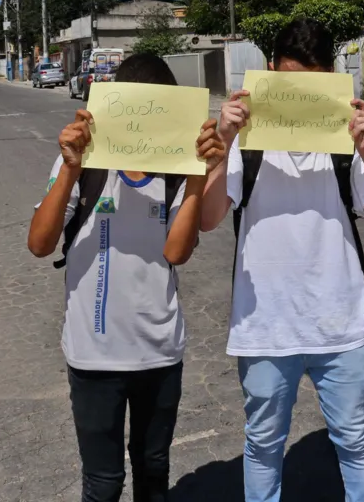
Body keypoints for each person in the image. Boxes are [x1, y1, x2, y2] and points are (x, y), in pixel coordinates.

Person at [199, 18, 364, 502]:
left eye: (311, 83)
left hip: (340, 324)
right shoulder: (245, 143)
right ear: (270, 71)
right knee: (264, 445)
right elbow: (208, 219)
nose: (298, 93)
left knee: (356, 442)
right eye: (288, 80)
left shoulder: (345, 140)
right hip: (264, 326)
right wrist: (224, 142)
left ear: (330, 75)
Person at [27, 52, 226, 502]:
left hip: (159, 352)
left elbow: (177, 251)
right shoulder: (85, 162)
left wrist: (198, 176)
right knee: (103, 482)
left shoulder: (176, 172)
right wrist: (70, 171)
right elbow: (39, 244)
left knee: (153, 469)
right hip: (93, 354)